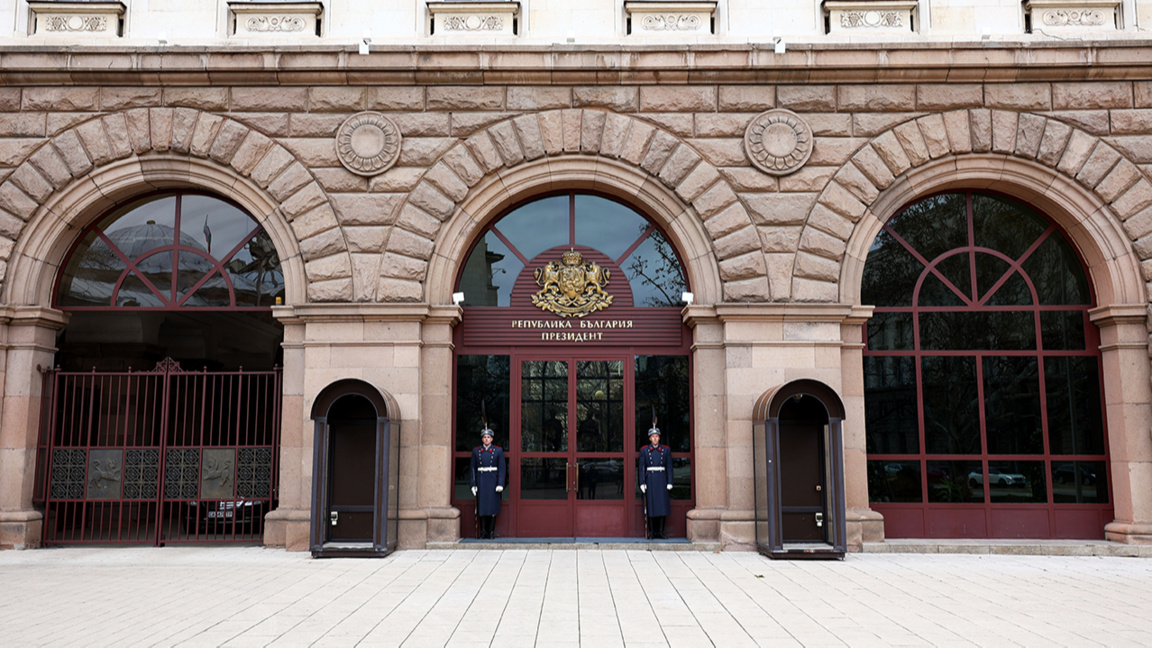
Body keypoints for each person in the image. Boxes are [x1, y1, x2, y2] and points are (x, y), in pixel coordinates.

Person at [470, 426, 506, 539]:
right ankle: (483, 531)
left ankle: (491, 532)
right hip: (481, 481)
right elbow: (472, 469)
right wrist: (473, 484)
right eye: (484, 437)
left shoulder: (498, 451)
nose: (486, 439)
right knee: (482, 507)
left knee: (492, 507)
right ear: (482, 439)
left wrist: (500, 483)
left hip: (493, 481)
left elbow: (502, 468)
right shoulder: (476, 451)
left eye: (488, 437)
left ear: (492, 439)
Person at [638, 425, 673, 538]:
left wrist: (670, 482)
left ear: (659, 437)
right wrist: (642, 483)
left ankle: (661, 531)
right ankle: (652, 532)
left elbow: (669, 467)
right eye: (653, 436)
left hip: (662, 479)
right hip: (650, 480)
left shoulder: (665, 450)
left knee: (662, 506)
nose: (655, 438)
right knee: (651, 507)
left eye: (656, 436)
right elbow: (641, 468)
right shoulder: (644, 450)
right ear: (650, 438)